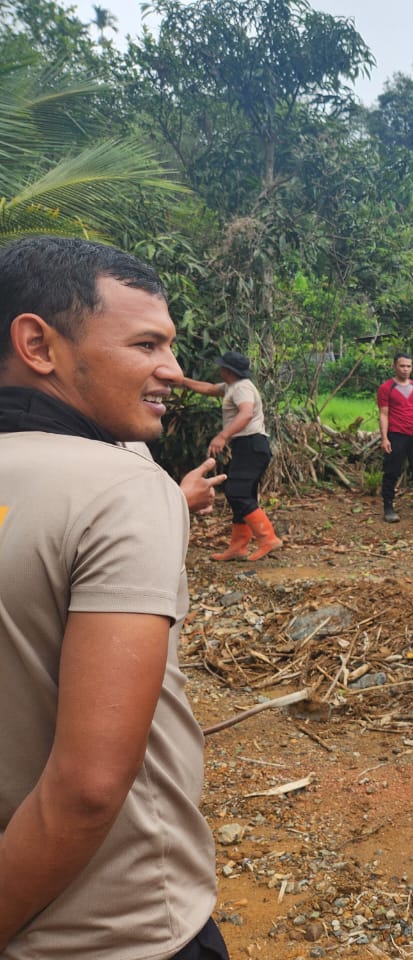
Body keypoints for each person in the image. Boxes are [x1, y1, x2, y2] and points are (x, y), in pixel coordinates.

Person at [0, 236, 225, 958]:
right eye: (147, 343)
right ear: (39, 344)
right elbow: (91, 787)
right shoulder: (122, 488)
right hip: (118, 929)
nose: (173, 371)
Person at [182, 351, 283, 561]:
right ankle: (238, 547)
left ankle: (268, 538)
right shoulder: (231, 386)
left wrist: (222, 436)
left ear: (228, 370)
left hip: (251, 444)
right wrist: (179, 380)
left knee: (236, 492)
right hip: (248, 446)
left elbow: (246, 413)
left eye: (222, 368)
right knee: (241, 493)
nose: (219, 370)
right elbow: (208, 388)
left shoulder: (242, 388)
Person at [377, 353, 413, 523]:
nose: (405, 369)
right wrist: (384, 438)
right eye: (402, 366)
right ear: (394, 366)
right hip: (396, 435)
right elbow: (383, 414)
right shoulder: (386, 388)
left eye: (408, 366)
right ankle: (388, 507)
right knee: (391, 472)